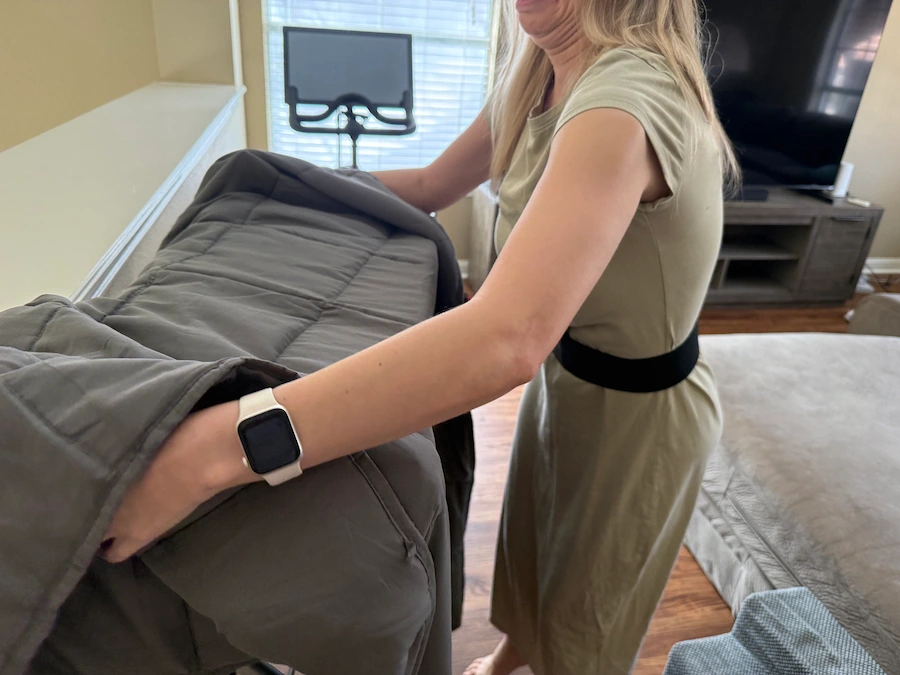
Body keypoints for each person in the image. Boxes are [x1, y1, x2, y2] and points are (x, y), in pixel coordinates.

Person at [102, 0, 737, 672]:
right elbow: (433, 183)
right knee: (533, 548)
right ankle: (511, 652)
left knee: (590, 610)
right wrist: (285, 185)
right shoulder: (536, 74)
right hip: (567, 378)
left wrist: (217, 450)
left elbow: (505, 338)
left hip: (640, 413)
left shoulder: (629, 101)